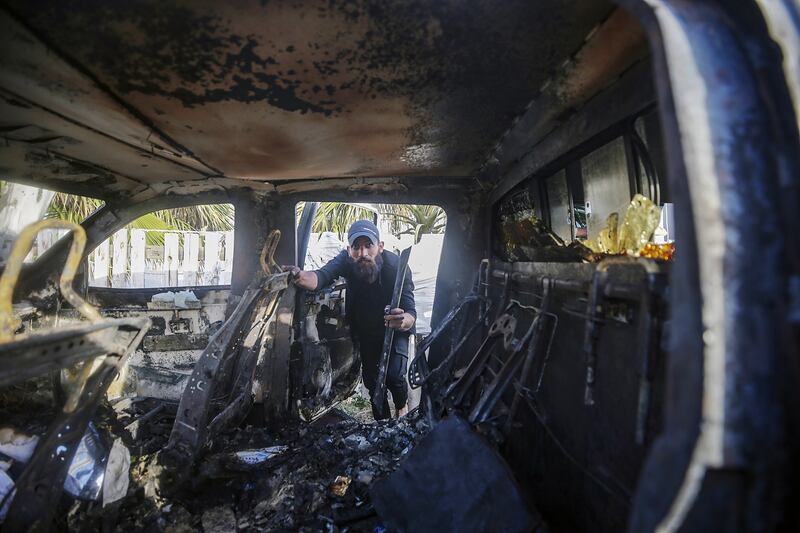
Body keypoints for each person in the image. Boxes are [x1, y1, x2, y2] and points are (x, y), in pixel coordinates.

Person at [285, 220, 415, 419]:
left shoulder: (398, 266)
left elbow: (411, 314)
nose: (362, 253)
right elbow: (320, 277)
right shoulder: (346, 261)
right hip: (366, 329)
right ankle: (381, 427)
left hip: (395, 329)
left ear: (380, 246)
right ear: (349, 250)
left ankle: (401, 406)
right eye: (356, 247)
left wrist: (402, 320)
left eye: (368, 246)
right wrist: (298, 276)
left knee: (395, 376)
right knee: (372, 383)